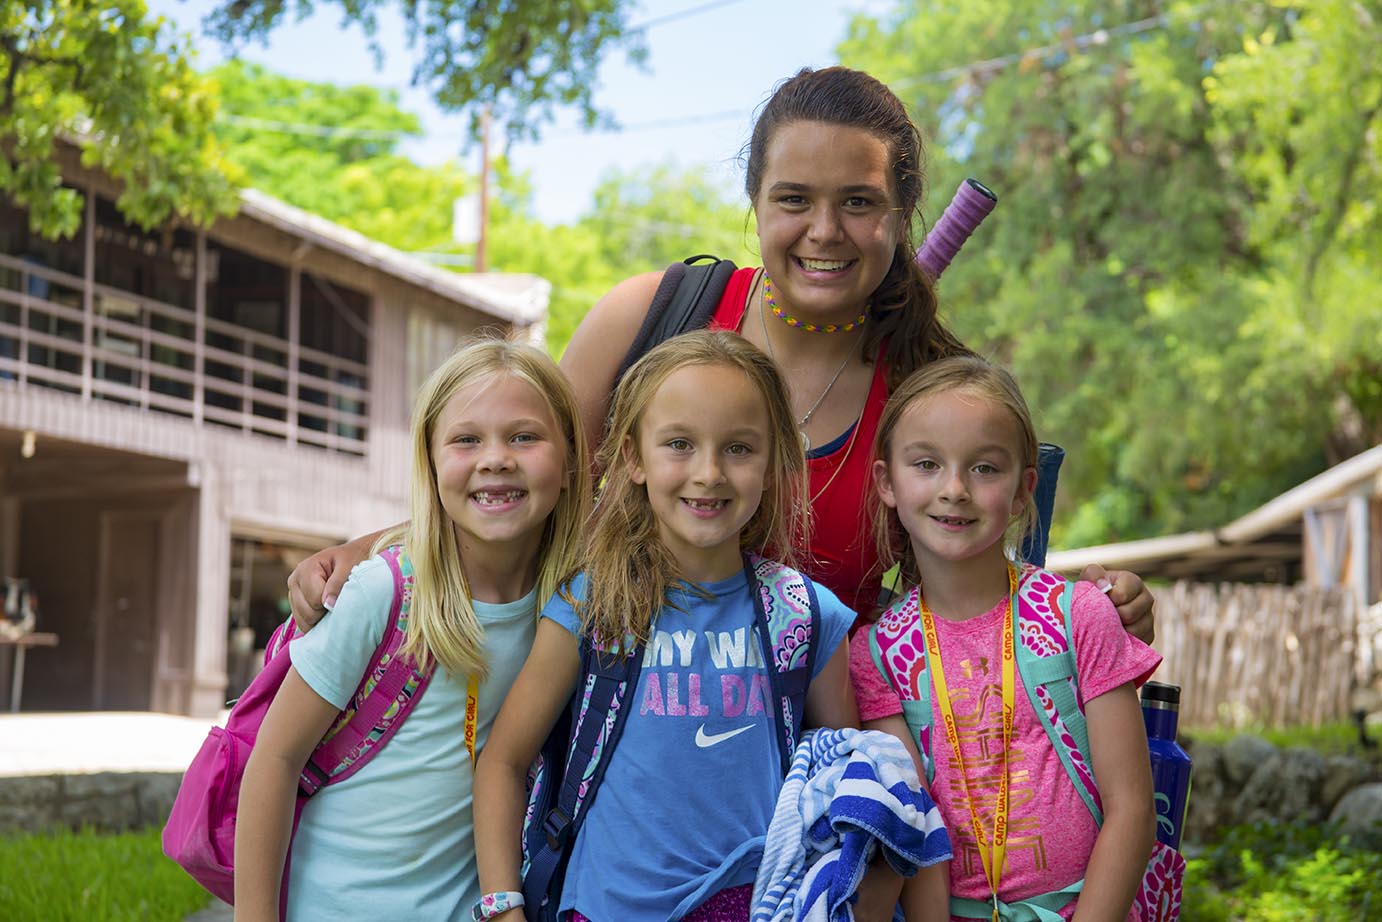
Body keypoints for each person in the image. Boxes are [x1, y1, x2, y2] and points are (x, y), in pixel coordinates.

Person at [284, 66, 1156, 640]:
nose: (824, 231)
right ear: (754, 203)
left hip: (807, 780)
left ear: (901, 215)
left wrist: (1095, 609)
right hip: (602, 755)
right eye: (794, 199)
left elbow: (981, 597)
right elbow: (511, 479)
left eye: (858, 202)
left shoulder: (931, 397)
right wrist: (371, 550)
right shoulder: (655, 317)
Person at [472, 331, 861, 922]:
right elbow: (503, 762)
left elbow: (844, 786)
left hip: (752, 905)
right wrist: (503, 910)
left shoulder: (807, 616)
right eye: (679, 444)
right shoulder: (593, 605)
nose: (709, 473)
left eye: (739, 448)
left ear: (775, 460)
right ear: (633, 458)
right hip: (605, 907)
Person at [233, 338, 590, 921]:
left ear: (572, 463)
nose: (496, 458)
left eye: (524, 437)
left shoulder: (573, 605)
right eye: (466, 439)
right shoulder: (384, 592)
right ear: (428, 463)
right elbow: (274, 759)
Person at [850, 356, 1160, 921]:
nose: (955, 489)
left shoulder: (1078, 615)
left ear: (1023, 491)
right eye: (926, 463)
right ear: (886, 482)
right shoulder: (876, 654)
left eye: (986, 469)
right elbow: (913, 831)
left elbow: (1133, 812)